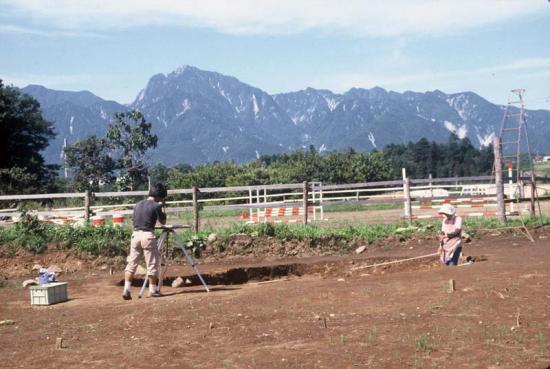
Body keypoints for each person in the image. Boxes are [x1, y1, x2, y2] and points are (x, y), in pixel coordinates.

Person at [122, 183, 167, 300]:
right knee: (152, 264)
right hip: (147, 236)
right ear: (159, 196)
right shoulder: (156, 206)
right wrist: (163, 207)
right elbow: (163, 222)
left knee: (132, 264)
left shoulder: (137, 205)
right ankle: (152, 290)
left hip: (135, 234)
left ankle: (126, 289)